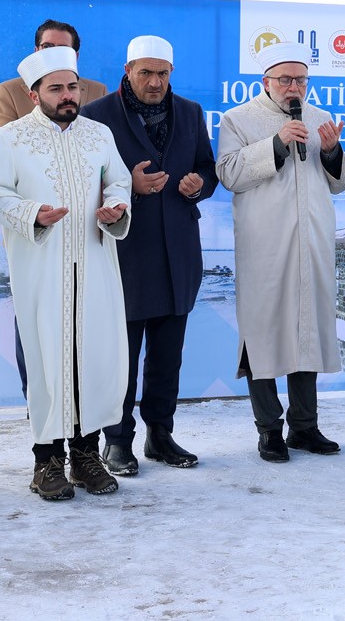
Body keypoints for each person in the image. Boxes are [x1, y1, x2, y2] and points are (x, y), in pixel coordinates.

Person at [0, 46, 133, 500]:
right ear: (34, 95)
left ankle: (86, 457)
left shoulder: (99, 134)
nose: (68, 95)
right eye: (56, 88)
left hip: (94, 265)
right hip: (42, 269)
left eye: (72, 86)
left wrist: (115, 207)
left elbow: (120, 179)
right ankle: (46, 462)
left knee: (90, 357)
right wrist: (34, 214)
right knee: (48, 360)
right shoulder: (9, 139)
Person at [81, 36, 216, 475]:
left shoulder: (192, 113)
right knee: (121, 355)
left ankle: (160, 434)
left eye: (162, 73)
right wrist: (129, 191)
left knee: (167, 356)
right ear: (127, 70)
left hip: (178, 252)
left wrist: (199, 183)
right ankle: (117, 440)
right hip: (125, 254)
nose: (155, 82)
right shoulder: (96, 116)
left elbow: (207, 168)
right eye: (145, 73)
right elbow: (81, 183)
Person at [215, 41, 345, 463]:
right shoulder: (238, 119)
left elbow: (339, 182)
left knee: (306, 331)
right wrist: (275, 143)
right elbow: (229, 174)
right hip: (265, 247)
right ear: (266, 82)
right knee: (263, 335)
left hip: (311, 242)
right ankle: (269, 430)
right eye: (286, 80)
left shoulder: (321, 118)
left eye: (301, 80)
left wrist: (332, 152)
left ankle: (305, 426)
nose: (294, 88)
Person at [0, 19, 109, 133]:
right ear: (36, 51)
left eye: (63, 48)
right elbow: (4, 142)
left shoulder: (98, 91)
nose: (53, 53)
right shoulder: (8, 91)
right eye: (47, 47)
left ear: (75, 56)